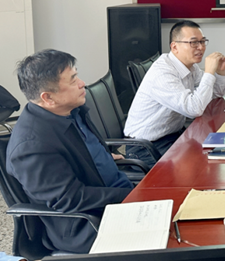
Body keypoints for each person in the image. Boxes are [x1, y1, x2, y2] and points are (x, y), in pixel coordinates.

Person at [7, 49, 133, 254]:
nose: (82, 83)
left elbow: (79, 151)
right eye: (73, 80)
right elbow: (70, 198)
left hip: (114, 197)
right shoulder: (31, 146)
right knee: (175, 240)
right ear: (48, 97)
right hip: (87, 224)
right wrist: (131, 196)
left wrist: (101, 157)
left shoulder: (70, 110)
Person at [124, 20, 225, 166]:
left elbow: (215, 94)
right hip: (146, 147)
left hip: (173, 136)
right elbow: (194, 109)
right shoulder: (163, 73)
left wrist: (219, 72)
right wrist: (209, 73)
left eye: (202, 41)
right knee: (204, 164)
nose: (200, 47)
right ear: (174, 47)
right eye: (194, 42)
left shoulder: (189, 66)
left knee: (221, 150)